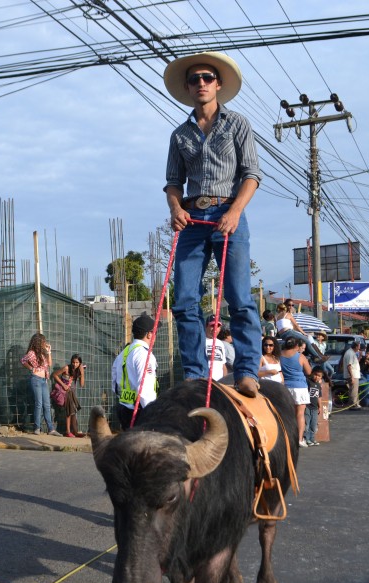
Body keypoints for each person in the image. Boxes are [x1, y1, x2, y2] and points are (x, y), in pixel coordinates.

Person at [163, 51, 263, 398]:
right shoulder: (179, 135)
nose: (201, 83)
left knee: (238, 297)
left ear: (218, 84)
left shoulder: (238, 124)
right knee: (184, 301)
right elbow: (173, 182)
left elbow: (251, 174)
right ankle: (194, 373)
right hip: (192, 219)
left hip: (228, 215)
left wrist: (234, 212)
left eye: (207, 78)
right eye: (195, 79)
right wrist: (175, 207)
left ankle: (248, 370)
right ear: (188, 88)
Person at [112, 313, 159, 429]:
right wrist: (153, 415)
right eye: (155, 332)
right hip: (139, 411)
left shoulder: (124, 353)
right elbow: (145, 389)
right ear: (149, 334)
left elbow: (114, 384)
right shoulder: (145, 355)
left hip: (123, 409)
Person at [21, 332, 60, 436]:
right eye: (43, 341)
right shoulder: (31, 353)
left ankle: (51, 429)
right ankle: (37, 428)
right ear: (38, 342)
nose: (45, 343)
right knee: (39, 404)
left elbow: (50, 364)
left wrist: (49, 352)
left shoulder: (42, 353)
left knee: (47, 404)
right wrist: (31, 368)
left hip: (43, 381)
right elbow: (23, 360)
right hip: (36, 380)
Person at [279, 337, 313, 447]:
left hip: (285, 386)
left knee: (286, 414)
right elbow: (309, 372)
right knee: (300, 413)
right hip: (299, 386)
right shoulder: (300, 356)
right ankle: (299, 439)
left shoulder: (279, 355)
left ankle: (286, 437)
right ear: (296, 346)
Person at [54, 354, 86, 437]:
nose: (74, 364)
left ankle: (74, 431)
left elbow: (82, 385)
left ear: (80, 363)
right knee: (70, 411)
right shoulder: (66, 368)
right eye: (73, 362)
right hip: (64, 392)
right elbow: (55, 375)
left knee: (72, 411)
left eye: (77, 362)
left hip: (71, 393)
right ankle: (68, 432)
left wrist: (82, 373)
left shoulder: (78, 371)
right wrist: (63, 385)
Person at [205, 316, 235, 380]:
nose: (215, 329)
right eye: (212, 325)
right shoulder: (200, 342)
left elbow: (223, 365)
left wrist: (224, 381)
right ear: (206, 326)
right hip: (205, 382)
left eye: (218, 326)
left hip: (219, 383)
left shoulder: (220, 343)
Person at [305, 366, 325, 446]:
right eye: (315, 375)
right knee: (307, 423)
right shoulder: (308, 382)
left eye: (319, 376)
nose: (317, 377)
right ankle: (306, 439)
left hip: (315, 408)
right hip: (307, 406)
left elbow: (319, 397)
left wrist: (320, 406)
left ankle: (312, 438)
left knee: (313, 424)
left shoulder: (318, 385)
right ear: (312, 373)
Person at [342, 340, 362, 410]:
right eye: (359, 346)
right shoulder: (350, 353)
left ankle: (355, 403)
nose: (359, 348)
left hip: (355, 374)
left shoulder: (352, 353)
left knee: (354, 390)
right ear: (356, 346)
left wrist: (359, 357)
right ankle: (353, 404)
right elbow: (349, 366)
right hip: (353, 375)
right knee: (353, 390)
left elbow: (354, 364)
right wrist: (352, 376)